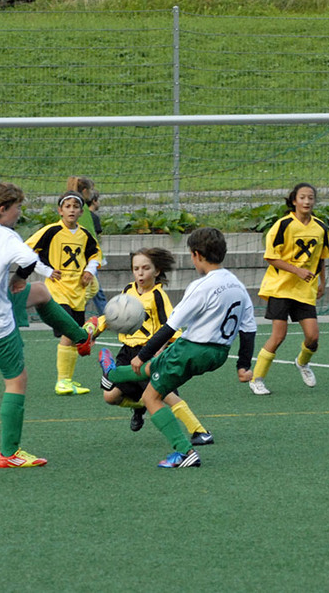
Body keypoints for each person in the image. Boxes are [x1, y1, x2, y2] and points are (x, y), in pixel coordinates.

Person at [0, 181, 96, 468]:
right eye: (17, 207)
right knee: (16, 380)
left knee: (41, 292)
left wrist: (17, 281)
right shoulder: (7, 236)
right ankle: (9, 454)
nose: (20, 212)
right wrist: (19, 278)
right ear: (3, 209)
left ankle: (81, 337)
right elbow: (29, 260)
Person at [99, 227, 257, 468]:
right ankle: (112, 374)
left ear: (196, 255)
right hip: (218, 354)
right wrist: (243, 365)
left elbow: (170, 326)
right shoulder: (238, 286)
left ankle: (185, 452)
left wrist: (142, 355)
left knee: (150, 397)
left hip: (192, 349)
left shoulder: (201, 286)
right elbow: (248, 329)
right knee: (154, 368)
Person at [96, 247, 214, 446]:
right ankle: (140, 406)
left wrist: (160, 350)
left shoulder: (158, 296)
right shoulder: (128, 291)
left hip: (149, 353)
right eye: (136, 269)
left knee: (166, 395)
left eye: (145, 268)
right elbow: (114, 315)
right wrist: (95, 330)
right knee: (110, 397)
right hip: (127, 353)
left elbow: (171, 326)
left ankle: (199, 431)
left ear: (157, 271)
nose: (140, 273)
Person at [249, 183, 329, 395]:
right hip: (281, 288)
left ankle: (302, 362)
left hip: (305, 289)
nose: (307, 201)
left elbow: (321, 258)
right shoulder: (283, 225)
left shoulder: (321, 228)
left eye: (310, 198)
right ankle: (257, 379)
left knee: (313, 337)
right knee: (279, 335)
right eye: (302, 197)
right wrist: (297, 271)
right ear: (294, 200)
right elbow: (271, 257)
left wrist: (322, 282)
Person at [26, 190, 103, 395]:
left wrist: (90, 270)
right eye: (67, 206)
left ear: (81, 212)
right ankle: (62, 381)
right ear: (60, 211)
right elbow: (26, 251)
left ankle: (67, 379)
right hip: (57, 290)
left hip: (78, 292)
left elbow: (95, 255)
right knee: (69, 333)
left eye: (76, 207)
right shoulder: (50, 231)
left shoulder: (85, 234)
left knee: (75, 336)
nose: (71, 210)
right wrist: (46, 271)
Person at [86, 188, 108, 315]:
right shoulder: (93, 217)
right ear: (94, 201)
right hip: (91, 257)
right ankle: (107, 316)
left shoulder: (84, 216)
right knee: (97, 291)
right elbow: (96, 234)